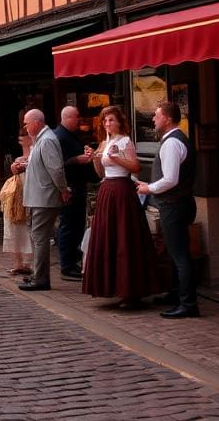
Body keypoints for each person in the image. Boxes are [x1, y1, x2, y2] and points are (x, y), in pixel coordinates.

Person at [83, 105, 160, 307]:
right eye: (105, 121)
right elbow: (100, 173)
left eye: (111, 120)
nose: (108, 124)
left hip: (122, 190)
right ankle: (111, 286)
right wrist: (95, 159)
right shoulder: (103, 142)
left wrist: (117, 158)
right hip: (107, 190)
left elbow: (136, 167)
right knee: (108, 237)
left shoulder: (125, 141)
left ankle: (131, 291)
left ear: (119, 122)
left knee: (125, 237)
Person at [137, 101, 200, 318]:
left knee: (180, 254)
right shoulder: (175, 140)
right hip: (176, 203)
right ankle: (176, 294)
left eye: (156, 115)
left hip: (174, 204)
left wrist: (148, 187)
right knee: (175, 253)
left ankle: (188, 303)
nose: (153, 119)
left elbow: (171, 179)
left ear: (168, 119)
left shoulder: (172, 143)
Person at [20, 109, 68, 292]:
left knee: (40, 238)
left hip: (43, 197)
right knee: (36, 236)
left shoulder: (47, 140)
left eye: (26, 123)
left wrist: (63, 189)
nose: (25, 127)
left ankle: (40, 279)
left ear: (36, 122)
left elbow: (56, 169)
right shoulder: (40, 140)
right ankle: (37, 274)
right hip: (37, 197)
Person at [54, 106, 96, 281]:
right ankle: (67, 264)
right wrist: (76, 160)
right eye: (77, 117)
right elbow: (57, 165)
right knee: (69, 225)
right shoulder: (60, 136)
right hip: (70, 188)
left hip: (77, 186)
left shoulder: (70, 135)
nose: (80, 120)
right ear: (68, 118)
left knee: (76, 224)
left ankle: (72, 261)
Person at [1, 127, 32, 276]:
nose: (21, 138)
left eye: (24, 135)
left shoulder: (37, 150)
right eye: (20, 135)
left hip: (30, 191)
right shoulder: (20, 154)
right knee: (13, 225)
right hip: (17, 192)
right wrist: (15, 167)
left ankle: (28, 263)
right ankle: (17, 263)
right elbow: (14, 171)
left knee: (27, 226)